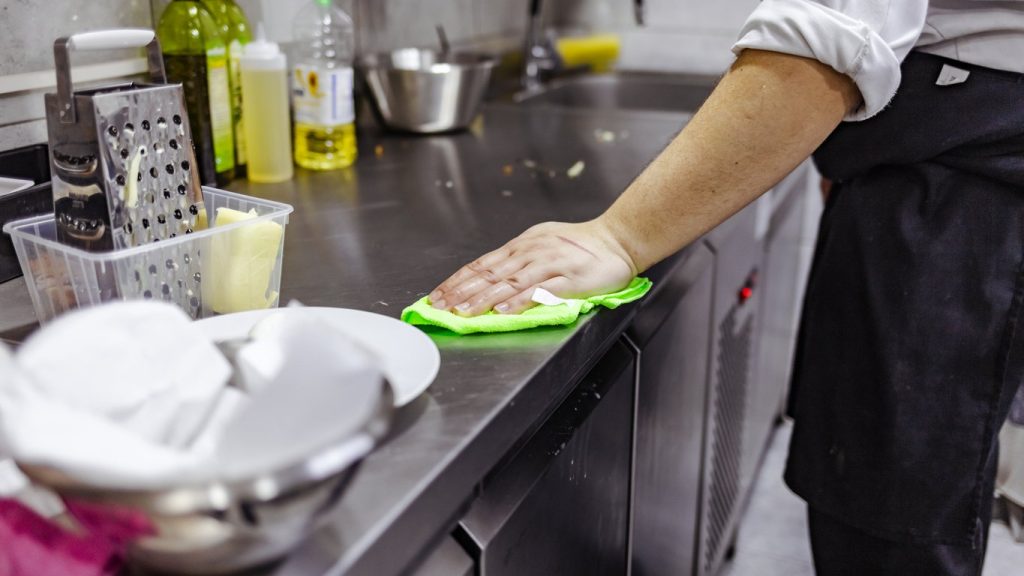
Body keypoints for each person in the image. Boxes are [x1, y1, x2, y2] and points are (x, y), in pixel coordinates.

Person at [429, 1, 1024, 575]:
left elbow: (826, 39)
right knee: (891, 475)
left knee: (895, 505)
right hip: (931, 155)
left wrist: (618, 239)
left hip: (960, 184)